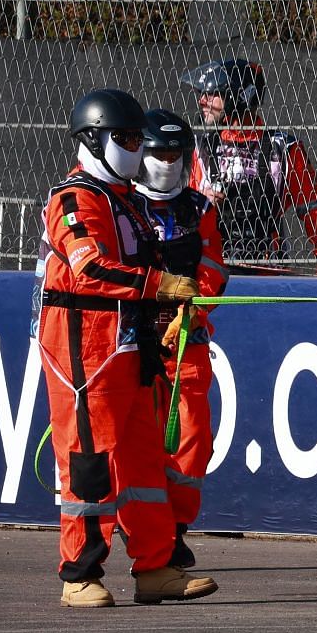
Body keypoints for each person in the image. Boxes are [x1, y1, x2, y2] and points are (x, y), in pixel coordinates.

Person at [36, 89, 217, 607]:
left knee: (141, 456)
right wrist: (159, 285)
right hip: (82, 346)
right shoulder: (73, 199)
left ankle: (156, 565)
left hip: (128, 343)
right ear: (95, 140)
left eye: (141, 138)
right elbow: (88, 267)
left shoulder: (125, 203)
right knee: (89, 459)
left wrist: (176, 293)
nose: (138, 149)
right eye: (128, 138)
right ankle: (80, 574)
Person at [134, 108, 229, 571]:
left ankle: (175, 529)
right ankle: (135, 526)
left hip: (186, 339)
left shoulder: (201, 209)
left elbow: (213, 267)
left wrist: (194, 308)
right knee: (136, 438)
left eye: (177, 154)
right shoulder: (122, 204)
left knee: (194, 437)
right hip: (131, 337)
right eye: (159, 153)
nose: (168, 162)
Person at [181, 58, 317, 271]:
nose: (202, 101)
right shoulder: (202, 148)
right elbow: (182, 210)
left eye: (212, 94)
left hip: (268, 266)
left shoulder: (283, 147)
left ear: (239, 97)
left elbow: (313, 205)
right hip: (212, 264)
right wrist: (202, 203)